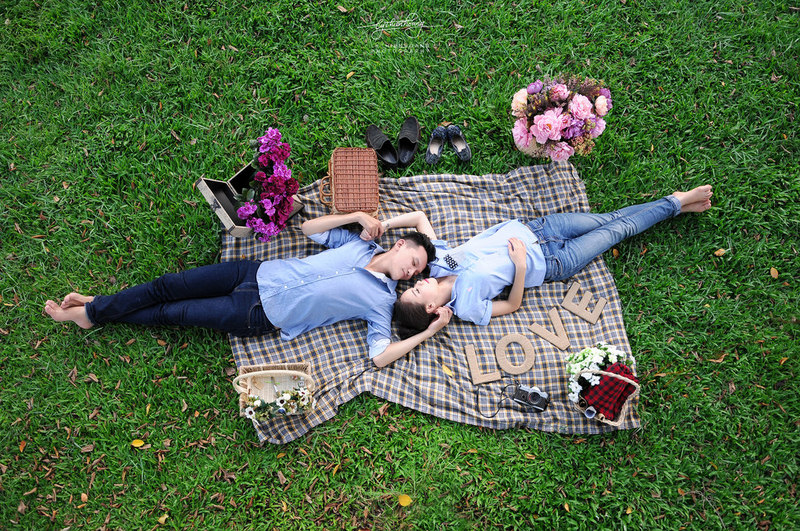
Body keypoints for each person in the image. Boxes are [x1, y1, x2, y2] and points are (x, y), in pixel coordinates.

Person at [44, 211, 452, 366]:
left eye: (414, 275)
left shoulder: (381, 304)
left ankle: (94, 312)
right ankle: (96, 309)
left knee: (175, 314)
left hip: (258, 315)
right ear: (400, 245)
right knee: (167, 285)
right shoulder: (358, 242)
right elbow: (308, 229)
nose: (409, 273)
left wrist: (429, 330)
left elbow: (380, 357)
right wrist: (358, 215)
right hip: (253, 273)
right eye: (413, 262)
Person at [393, 185, 713, 337]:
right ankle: (677, 201)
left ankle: (677, 207)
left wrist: (386, 229)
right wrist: (519, 268)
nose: (418, 281)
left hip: (541, 228)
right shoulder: (466, 306)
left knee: (610, 218)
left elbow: (421, 221)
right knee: (620, 230)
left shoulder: (437, 262)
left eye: (413, 284)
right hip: (555, 261)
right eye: (418, 292)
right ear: (432, 309)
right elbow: (512, 305)